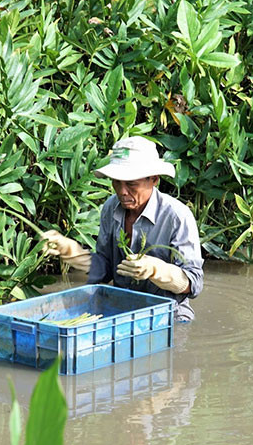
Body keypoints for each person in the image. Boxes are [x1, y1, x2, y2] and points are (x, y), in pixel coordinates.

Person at [41, 136, 204, 321]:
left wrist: (156, 270)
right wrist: (71, 252)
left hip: (168, 316)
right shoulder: (111, 208)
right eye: (116, 182)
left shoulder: (177, 216)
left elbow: (194, 284)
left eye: (131, 183)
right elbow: (106, 270)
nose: (122, 191)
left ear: (154, 180)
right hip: (122, 308)